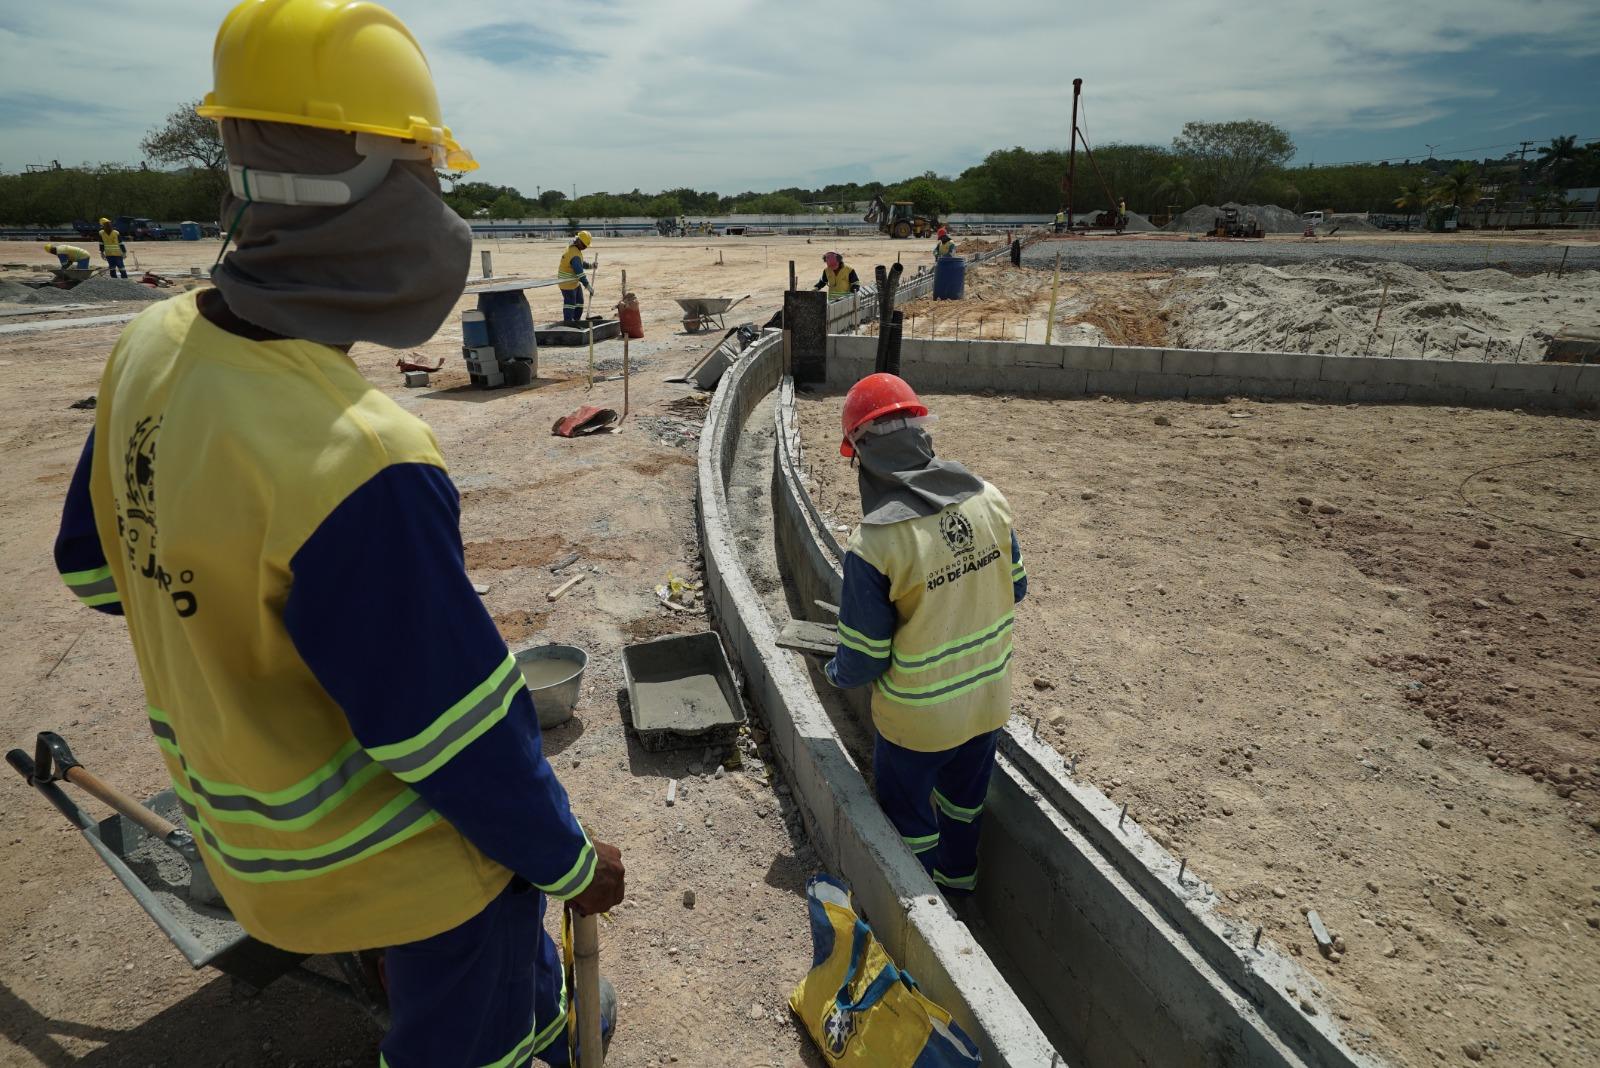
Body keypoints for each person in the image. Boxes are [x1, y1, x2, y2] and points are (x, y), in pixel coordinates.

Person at [51, 2, 623, 1065]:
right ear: (368, 183)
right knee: (487, 1010)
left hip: (242, 850)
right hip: (392, 874)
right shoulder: (361, 459)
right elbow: (449, 735)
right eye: (424, 176)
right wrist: (573, 861)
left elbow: (92, 567)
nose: (435, 210)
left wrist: (223, 604)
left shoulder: (146, 346)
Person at [823, 374, 1026, 896]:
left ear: (861, 455)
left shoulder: (875, 543)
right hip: (986, 704)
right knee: (964, 808)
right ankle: (959, 896)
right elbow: (1016, 588)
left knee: (909, 821)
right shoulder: (989, 498)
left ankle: (924, 913)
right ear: (922, 433)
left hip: (916, 723)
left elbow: (864, 660)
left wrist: (836, 668)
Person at [557, 230, 594, 323]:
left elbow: (580, 263)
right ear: (579, 241)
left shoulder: (575, 249)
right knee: (570, 304)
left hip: (574, 283)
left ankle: (576, 321)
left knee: (579, 303)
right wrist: (587, 285)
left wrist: (591, 265)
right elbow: (580, 273)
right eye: (584, 245)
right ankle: (568, 323)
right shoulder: (574, 253)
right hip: (566, 283)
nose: (585, 247)